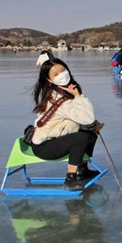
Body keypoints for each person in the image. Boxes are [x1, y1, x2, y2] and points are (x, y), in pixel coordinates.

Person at [30, 58, 102, 190]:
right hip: (44, 146)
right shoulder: (58, 97)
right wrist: (79, 97)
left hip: (57, 137)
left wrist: (90, 124)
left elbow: (81, 119)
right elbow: (87, 118)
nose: (62, 75)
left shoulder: (65, 92)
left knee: (90, 133)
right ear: (50, 80)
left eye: (63, 70)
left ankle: (82, 169)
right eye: (56, 74)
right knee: (81, 138)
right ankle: (70, 178)